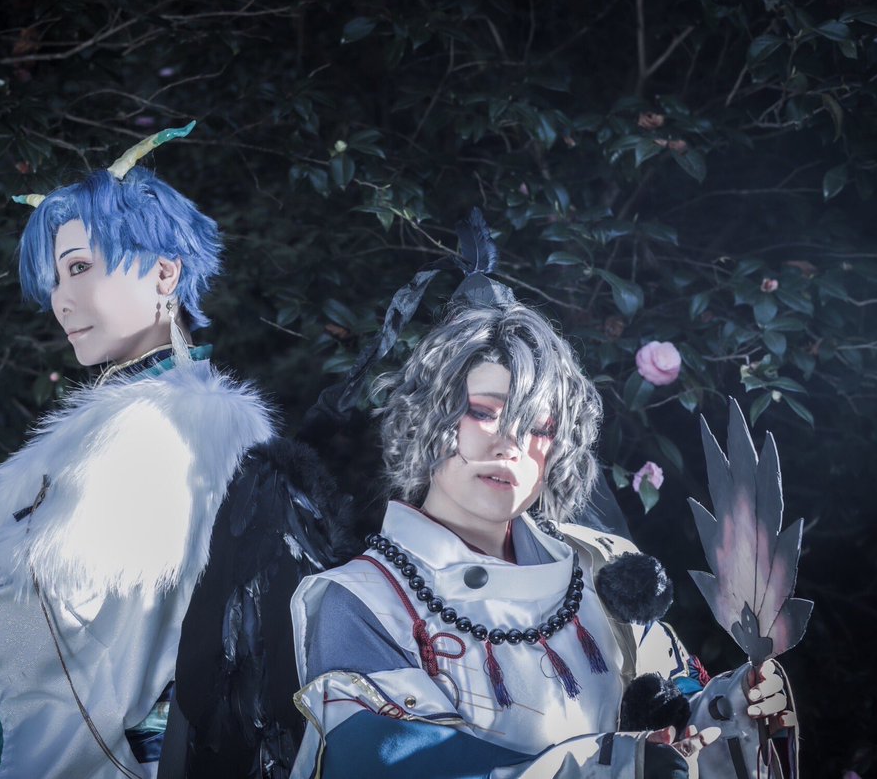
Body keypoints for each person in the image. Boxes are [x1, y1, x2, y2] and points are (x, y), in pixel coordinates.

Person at [0, 127, 279, 778]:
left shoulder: (162, 430)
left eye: (79, 267)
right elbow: (58, 584)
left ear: (164, 271)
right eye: (54, 278)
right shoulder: (159, 417)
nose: (60, 300)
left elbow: (57, 637)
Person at [288, 300, 795, 778]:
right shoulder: (361, 601)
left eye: (539, 427)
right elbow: (389, 762)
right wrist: (608, 769)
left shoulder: (603, 565)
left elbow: (676, 717)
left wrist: (737, 709)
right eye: (485, 412)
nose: (510, 445)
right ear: (428, 418)